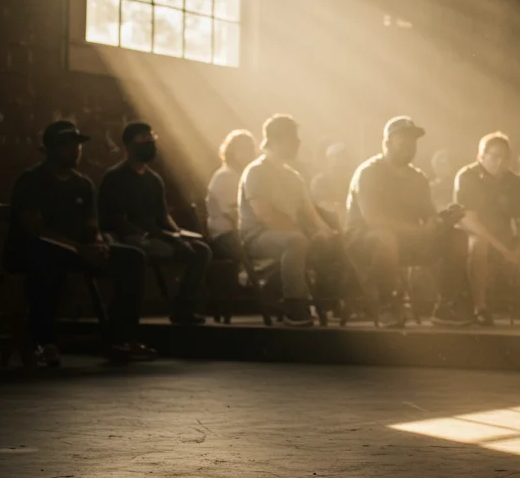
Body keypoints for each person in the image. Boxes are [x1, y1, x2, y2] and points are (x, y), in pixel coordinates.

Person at [5, 121, 149, 364]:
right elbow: (36, 230)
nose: (75, 151)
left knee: (133, 259)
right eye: (67, 146)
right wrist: (80, 249)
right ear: (49, 150)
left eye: (78, 146)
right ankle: (43, 342)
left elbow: (92, 227)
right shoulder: (31, 181)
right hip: (36, 250)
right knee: (45, 262)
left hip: (77, 252)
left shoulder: (83, 185)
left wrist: (99, 244)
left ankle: (120, 338)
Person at [345, 116, 468, 328]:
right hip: (364, 242)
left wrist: (442, 221)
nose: (409, 146)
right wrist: (420, 231)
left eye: (413, 141)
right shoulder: (368, 173)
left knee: (457, 237)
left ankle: (446, 305)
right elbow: (374, 220)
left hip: (408, 241)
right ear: (387, 143)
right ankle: (387, 305)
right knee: (385, 238)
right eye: (403, 140)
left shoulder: (418, 178)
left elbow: (428, 215)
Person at [99, 122, 212, 325]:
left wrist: (179, 234)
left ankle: (184, 307)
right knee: (173, 251)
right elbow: (114, 219)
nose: (150, 142)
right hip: (132, 238)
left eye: (151, 138)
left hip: (158, 235)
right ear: (129, 145)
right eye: (143, 139)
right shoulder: (115, 177)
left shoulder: (154, 179)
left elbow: (163, 215)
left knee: (201, 251)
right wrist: (146, 235)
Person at [239, 114, 340, 327]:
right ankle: (293, 305)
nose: (298, 143)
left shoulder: (293, 176)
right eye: (293, 138)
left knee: (330, 241)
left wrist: (326, 232)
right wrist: (303, 234)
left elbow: (310, 212)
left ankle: (337, 301)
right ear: (275, 140)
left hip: (290, 233)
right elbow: (265, 215)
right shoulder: (256, 172)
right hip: (257, 237)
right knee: (296, 241)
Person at [455, 133, 520, 325]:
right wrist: (504, 251)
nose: (500, 162)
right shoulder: (467, 177)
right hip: (472, 237)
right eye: (495, 156)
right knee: (479, 245)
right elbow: (472, 222)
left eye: (505, 157)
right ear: (481, 156)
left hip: (504, 237)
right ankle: (480, 308)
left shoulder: (514, 182)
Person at [205, 129, 256, 259]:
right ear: (232, 152)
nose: (249, 154)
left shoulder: (246, 176)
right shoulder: (225, 177)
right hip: (226, 236)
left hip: (244, 231)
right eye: (243, 149)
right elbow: (234, 214)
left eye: (251, 149)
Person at [310, 143, 355, 224]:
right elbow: (320, 204)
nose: (340, 162)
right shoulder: (320, 180)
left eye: (343, 158)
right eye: (337, 158)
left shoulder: (351, 180)